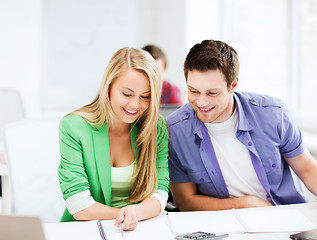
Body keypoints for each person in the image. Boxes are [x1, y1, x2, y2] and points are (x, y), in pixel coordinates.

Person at [167, 39, 317, 211]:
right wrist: (246, 204)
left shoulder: (273, 114)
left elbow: (307, 170)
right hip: (223, 224)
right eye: (193, 91)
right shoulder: (175, 131)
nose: (201, 101)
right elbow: (185, 202)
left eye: (212, 93)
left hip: (283, 216)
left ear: (233, 85)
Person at [58, 47, 169, 231]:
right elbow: (79, 205)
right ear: (108, 87)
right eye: (127, 94)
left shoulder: (156, 128)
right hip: (86, 230)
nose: (135, 104)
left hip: (140, 229)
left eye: (145, 97)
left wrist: (135, 215)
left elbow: (160, 193)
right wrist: (126, 215)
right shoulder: (74, 127)